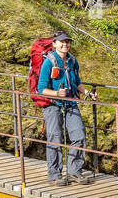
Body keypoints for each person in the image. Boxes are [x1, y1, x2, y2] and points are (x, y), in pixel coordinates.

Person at [37, 31, 92, 184]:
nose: (65, 44)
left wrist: (87, 92)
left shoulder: (73, 61)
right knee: (55, 138)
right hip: (53, 105)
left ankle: (75, 171)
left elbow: (78, 83)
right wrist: (56, 93)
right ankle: (54, 175)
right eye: (61, 42)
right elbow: (41, 89)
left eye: (67, 41)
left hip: (71, 103)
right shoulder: (49, 62)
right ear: (54, 44)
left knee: (79, 135)